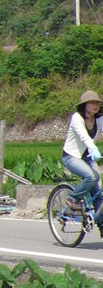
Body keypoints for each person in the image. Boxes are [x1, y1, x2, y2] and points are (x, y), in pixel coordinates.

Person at [62, 90, 103, 221]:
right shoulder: (77, 118)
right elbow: (85, 137)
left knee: (99, 193)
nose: (95, 106)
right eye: (91, 103)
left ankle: (100, 224)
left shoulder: (99, 119)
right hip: (72, 157)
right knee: (92, 176)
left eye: (97, 103)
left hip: (88, 158)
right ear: (84, 105)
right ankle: (73, 199)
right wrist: (94, 148)